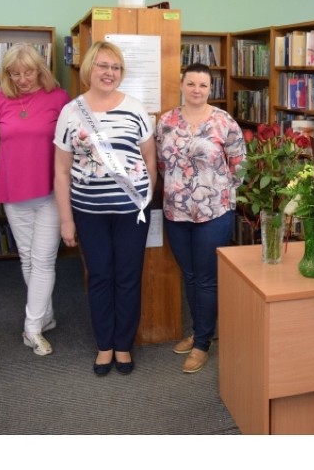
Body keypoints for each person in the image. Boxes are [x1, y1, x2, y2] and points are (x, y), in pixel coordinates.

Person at [54, 41, 155, 376]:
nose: (109, 73)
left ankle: (123, 345)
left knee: (128, 278)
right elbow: (61, 170)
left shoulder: (136, 109)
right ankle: (104, 346)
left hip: (131, 212)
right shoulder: (70, 112)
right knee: (99, 277)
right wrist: (66, 220)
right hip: (89, 211)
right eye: (102, 65)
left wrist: (145, 196)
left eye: (115, 67)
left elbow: (150, 160)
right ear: (89, 70)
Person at [157, 62, 245, 374]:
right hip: (176, 210)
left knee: (206, 278)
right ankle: (198, 330)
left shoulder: (223, 121)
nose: (197, 90)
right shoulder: (166, 121)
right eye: (191, 83)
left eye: (203, 85)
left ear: (211, 89)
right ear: (182, 84)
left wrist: (224, 193)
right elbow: (160, 163)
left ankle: (202, 344)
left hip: (214, 211)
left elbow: (240, 163)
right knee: (190, 275)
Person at [0, 44, 70, 356]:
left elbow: (68, 145)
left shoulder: (59, 98)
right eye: (14, 73)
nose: (22, 79)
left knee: (43, 258)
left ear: (40, 70)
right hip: (13, 189)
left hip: (49, 190)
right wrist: (19, 162)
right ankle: (44, 316)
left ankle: (30, 328)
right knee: (27, 258)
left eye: (28, 72)